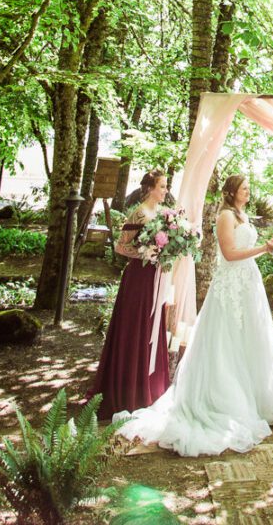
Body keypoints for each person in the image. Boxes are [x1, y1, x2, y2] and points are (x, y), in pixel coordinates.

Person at [114, 174, 273, 456]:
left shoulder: (243, 215)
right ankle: (225, 401)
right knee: (226, 343)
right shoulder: (224, 216)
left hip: (247, 284)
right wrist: (264, 249)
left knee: (250, 339)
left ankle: (255, 398)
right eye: (244, 188)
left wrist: (266, 245)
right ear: (232, 192)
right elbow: (230, 253)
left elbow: (243, 249)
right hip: (229, 286)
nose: (248, 192)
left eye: (249, 187)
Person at [87, 168, 171, 420]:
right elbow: (121, 246)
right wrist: (146, 254)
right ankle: (129, 391)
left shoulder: (161, 213)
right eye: (162, 186)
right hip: (138, 278)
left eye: (166, 186)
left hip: (155, 277)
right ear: (150, 188)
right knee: (136, 328)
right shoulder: (138, 212)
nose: (165, 191)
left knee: (152, 328)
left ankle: (151, 385)